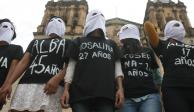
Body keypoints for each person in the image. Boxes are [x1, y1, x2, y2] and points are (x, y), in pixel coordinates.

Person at [0, 16, 70, 112]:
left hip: (50, 86)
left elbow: (70, 65)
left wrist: (58, 78)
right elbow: (24, 62)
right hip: (25, 84)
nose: (54, 22)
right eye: (51, 21)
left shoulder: (68, 42)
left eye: (59, 21)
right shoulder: (35, 42)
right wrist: (9, 83)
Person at [60, 9, 124, 112]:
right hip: (79, 95)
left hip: (106, 95)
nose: (98, 17)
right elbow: (71, 68)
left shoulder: (112, 44)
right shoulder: (78, 41)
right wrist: (66, 90)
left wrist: (120, 89)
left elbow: (118, 70)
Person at [144, 20, 194, 112]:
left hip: (173, 88)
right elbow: (148, 28)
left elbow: (148, 26)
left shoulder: (164, 45)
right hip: (174, 90)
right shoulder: (163, 44)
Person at [118, 24, 162, 112]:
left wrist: (160, 91)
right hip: (127, 98)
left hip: (150, 96)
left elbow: (156, 74)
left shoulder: (148, 51)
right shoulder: (119, 53)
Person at [0, 18, 23, 110]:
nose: (8, 30)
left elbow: (12, 71)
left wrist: (4, 89)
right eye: (4, 26)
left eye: (12, 28)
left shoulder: (16, 49)